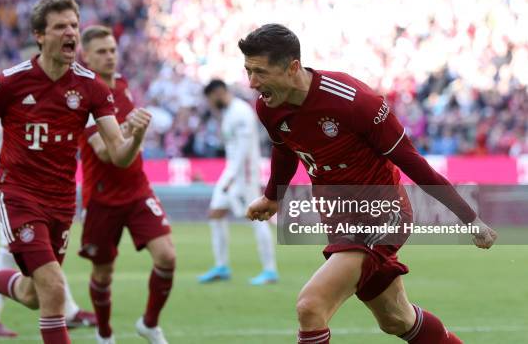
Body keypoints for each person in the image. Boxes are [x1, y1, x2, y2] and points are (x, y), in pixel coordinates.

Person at [239, 24, 498, 344]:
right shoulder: (268, 107)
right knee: (397, 319)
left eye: (260, 72)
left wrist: (469, 218)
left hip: (381, 214)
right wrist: (272, 197)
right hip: (339, 219)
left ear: (292, 67)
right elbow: (284, 149)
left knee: (311, 306)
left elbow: (414, 164)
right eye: (248, 71)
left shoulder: (355, 102)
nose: (252, 83)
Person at [0, 0, 151, 344]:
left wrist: (136, 136)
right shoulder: (9, 82)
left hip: (60, 203)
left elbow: (118, 154)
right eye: (61, 27)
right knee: (54, 288)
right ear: (40, 35)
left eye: (74, 25)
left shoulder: (91, 88)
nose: (71, 32)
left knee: (32, 294)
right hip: (18, 195)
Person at [77, 25, 175, 344]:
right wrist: (135, 133)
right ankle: (104, 334)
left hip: (137, 189)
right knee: (103, 273)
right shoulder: (82, 98)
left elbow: (127, 146)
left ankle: (149, 323)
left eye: (113, 50)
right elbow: (108, 153)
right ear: (86, 56)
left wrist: (136, 134)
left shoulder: (121, 84)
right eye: (102, 52)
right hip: (103, 198)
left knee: (167, 257)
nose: (110, 56)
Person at [0, 124, 96, 338]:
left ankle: (69, 311)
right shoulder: (11, 93)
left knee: (37, 281)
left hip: (46, 189)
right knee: (11, 250)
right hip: (15, 188)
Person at [198, 80, 278, 285]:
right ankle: (221, 266)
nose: (210, 104)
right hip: (231, 171)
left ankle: (270, 271)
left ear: (218, 93)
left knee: (255, 217)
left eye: (210, 99)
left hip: (243, 174)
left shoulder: (240, 112)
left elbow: (243, 150)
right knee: (215, 213)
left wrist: (232, 178)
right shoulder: (229, 112)